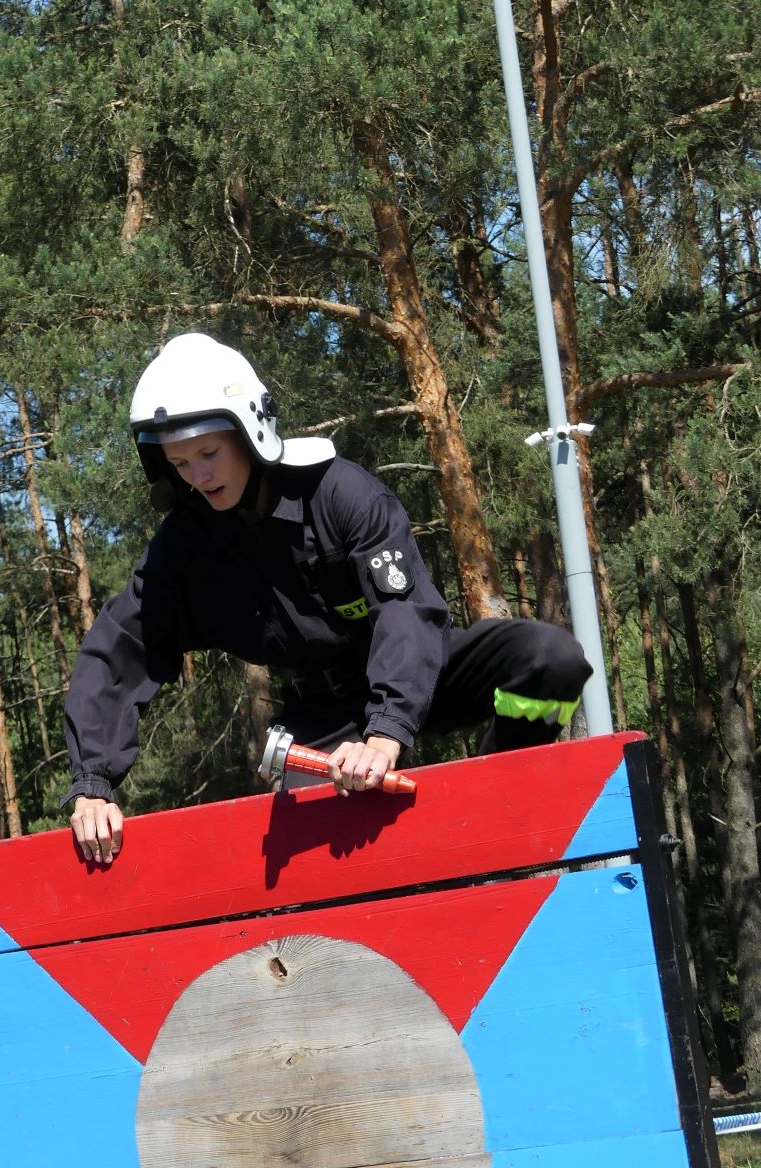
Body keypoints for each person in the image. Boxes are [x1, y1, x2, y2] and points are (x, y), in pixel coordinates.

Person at [64, 332, 592, 864]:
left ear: (250, 431)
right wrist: (92, 785)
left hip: (417, 675)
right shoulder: (182, 550)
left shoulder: (340, 494)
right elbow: (119, 649)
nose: (199, 476)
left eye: (208, 453)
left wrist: (386, 732)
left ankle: (498, 811)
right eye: (180, 464)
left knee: (552, 661)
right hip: (322, 717)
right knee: (321, 857)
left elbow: (406, 613)